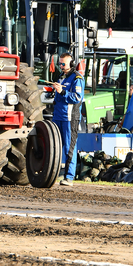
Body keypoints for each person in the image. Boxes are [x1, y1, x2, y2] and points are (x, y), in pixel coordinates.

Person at [52, 52, 84, 186]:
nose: (61, 66)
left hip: (70, 118)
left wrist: (62, 92)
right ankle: (54, 174)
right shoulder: (61, 77)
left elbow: (77, 97)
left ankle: (69, 177)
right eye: (59, 63)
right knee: (56, 146)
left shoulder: (77, 78)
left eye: (63, 64)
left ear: (71, 64)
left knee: (69, 148)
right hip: (58, 116)